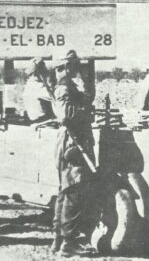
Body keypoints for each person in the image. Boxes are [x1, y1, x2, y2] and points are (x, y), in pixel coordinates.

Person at [51, 50, 96, 257]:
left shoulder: (68, 86)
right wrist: (86, 113)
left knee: (65, 192)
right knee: (74, 192)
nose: (79, 68)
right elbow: (65, 115)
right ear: (69, 66)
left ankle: (58, 240)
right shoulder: (64, 87)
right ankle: (68, 244)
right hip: (73, 143)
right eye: (76, 65)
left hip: (72, 141)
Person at [23, 58, 54, 123]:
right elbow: (55, 98)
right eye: (44, 69)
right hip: (43, 122)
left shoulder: (29, 85)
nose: (47, 72)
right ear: (39, 73)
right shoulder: (38, 86)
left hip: (35, 120)